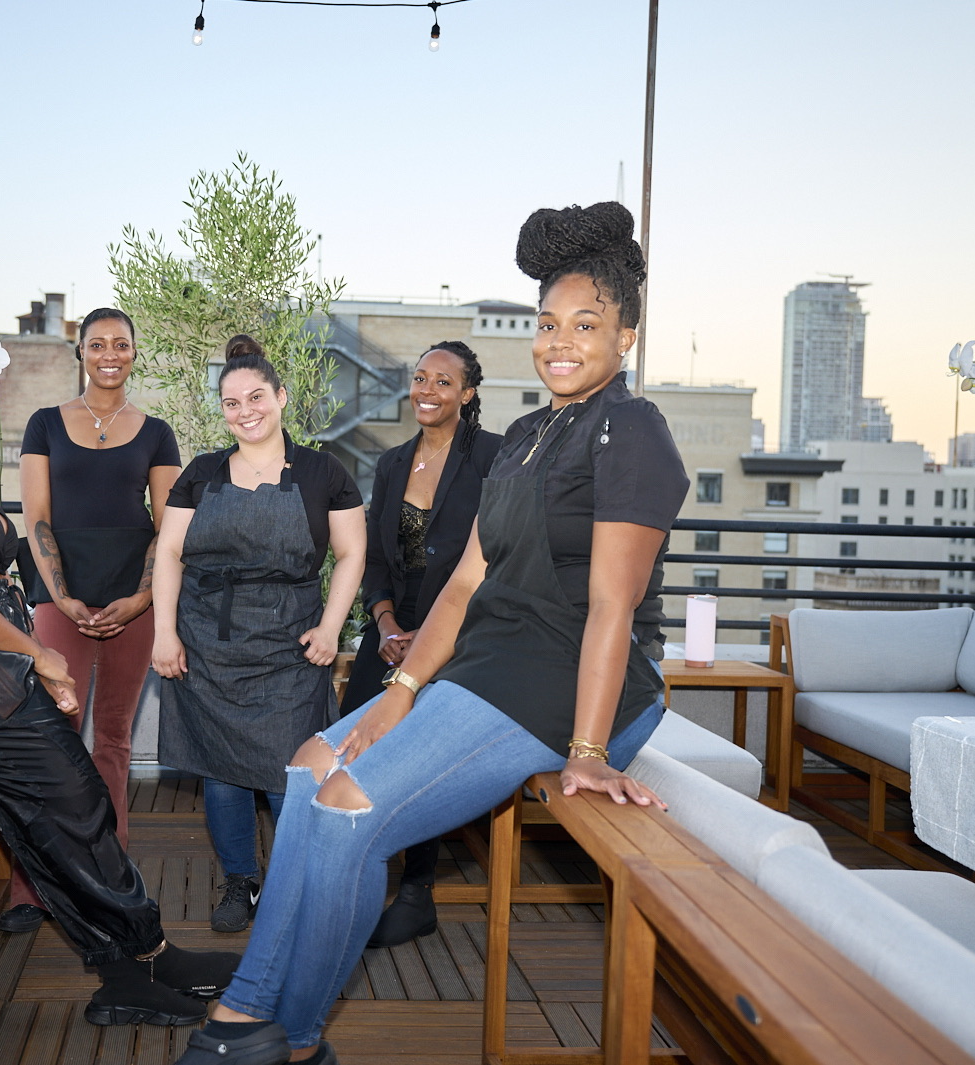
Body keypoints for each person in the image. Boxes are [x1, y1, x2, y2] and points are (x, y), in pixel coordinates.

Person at [171, 202, 689, 1065]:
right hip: (489, 666)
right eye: (548, 324)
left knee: (348, 812)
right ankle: (253, 1009)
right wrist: (395, 695)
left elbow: (611, 610)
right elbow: (467, 581)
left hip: (569, 683)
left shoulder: (631, 431)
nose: (560, 341)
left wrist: (590, 749)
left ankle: (285, 1038)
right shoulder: (527, 436)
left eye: (587, 325)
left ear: (626, 336)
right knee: (309, 769)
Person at [0, 322, 238, 1029]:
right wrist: (40, 652)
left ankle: (138, 958)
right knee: (71, 798)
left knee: (57, 810)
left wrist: (25, 648)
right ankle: (137, 959)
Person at [152, 335, 365, 936]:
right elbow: (169, 552)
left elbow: (351, 555)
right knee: (219, 768)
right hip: (207, 639)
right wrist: (164, 633)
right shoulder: (200, 473)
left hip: (290, 641)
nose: (245, 411)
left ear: (281, 397)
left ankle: (296, 880)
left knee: (290, 769)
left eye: (256, 397)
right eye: (231, 403)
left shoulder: (325, 472)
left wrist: (329, 628)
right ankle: (240, 881)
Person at [0, 308, 182, 935]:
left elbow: (168, 526)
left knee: (113, 741)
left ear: (135, 352)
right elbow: (37, 518)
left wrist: (139, 600)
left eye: (121, 344)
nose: (110, 353)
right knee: (50, 738)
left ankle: (111, 874)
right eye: (97, 343)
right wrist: (63, 596)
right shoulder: (45, 424)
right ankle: (33, 885)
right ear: (81, 352)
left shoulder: (156, 432)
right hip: (58, 599)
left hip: (134, 600)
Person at [338, 340, 502, 949]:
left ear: (468, 393)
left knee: (424, 753)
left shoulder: (493, 457)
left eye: (443, 381)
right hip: (389, 630)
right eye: (420, 378)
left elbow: (492, 560)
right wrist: (383, 623)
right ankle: (356, 872)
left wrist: (427, 636)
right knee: (356, 740)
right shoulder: (391, 463)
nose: (427, 390)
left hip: (459, 630)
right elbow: (376, 556)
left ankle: (417, 892)